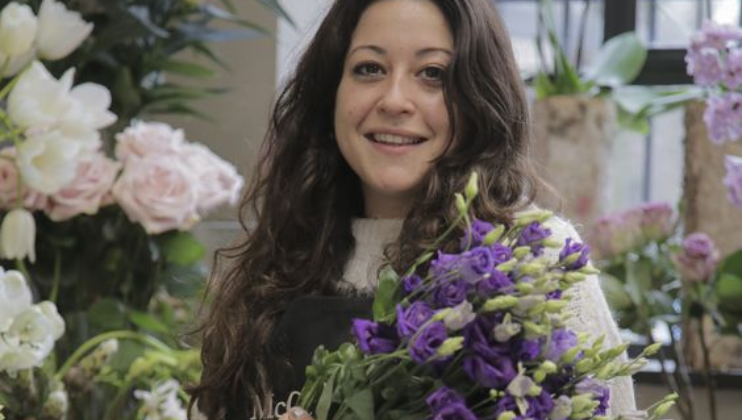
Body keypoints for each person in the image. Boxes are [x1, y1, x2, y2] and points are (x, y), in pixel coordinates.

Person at [189, 0, 637, 419]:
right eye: (369, 68)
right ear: (331, 93)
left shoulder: (535, 255)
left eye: (433, 73)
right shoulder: (278, 260)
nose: (394, 100)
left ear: (479, 98)